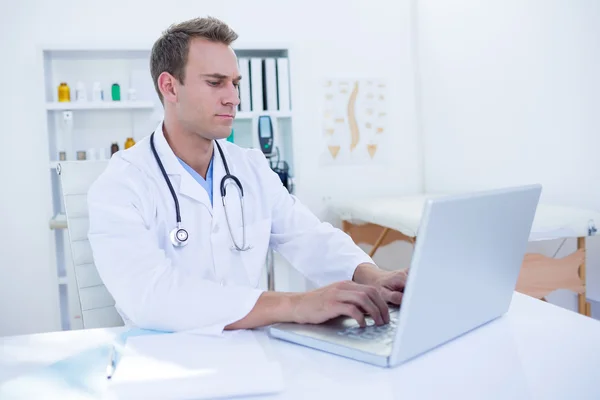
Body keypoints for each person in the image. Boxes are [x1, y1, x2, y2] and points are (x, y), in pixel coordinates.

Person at [87, 16, 407, 334]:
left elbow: (308, 236)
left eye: (235, 83)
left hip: (249, 352)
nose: (233, 98)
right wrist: (295, 305)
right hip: (164, 362)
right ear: (170, 86)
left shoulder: (249, 168)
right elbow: (149, 296)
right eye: (215, 83)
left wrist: (371, 275)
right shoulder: (122, 184)